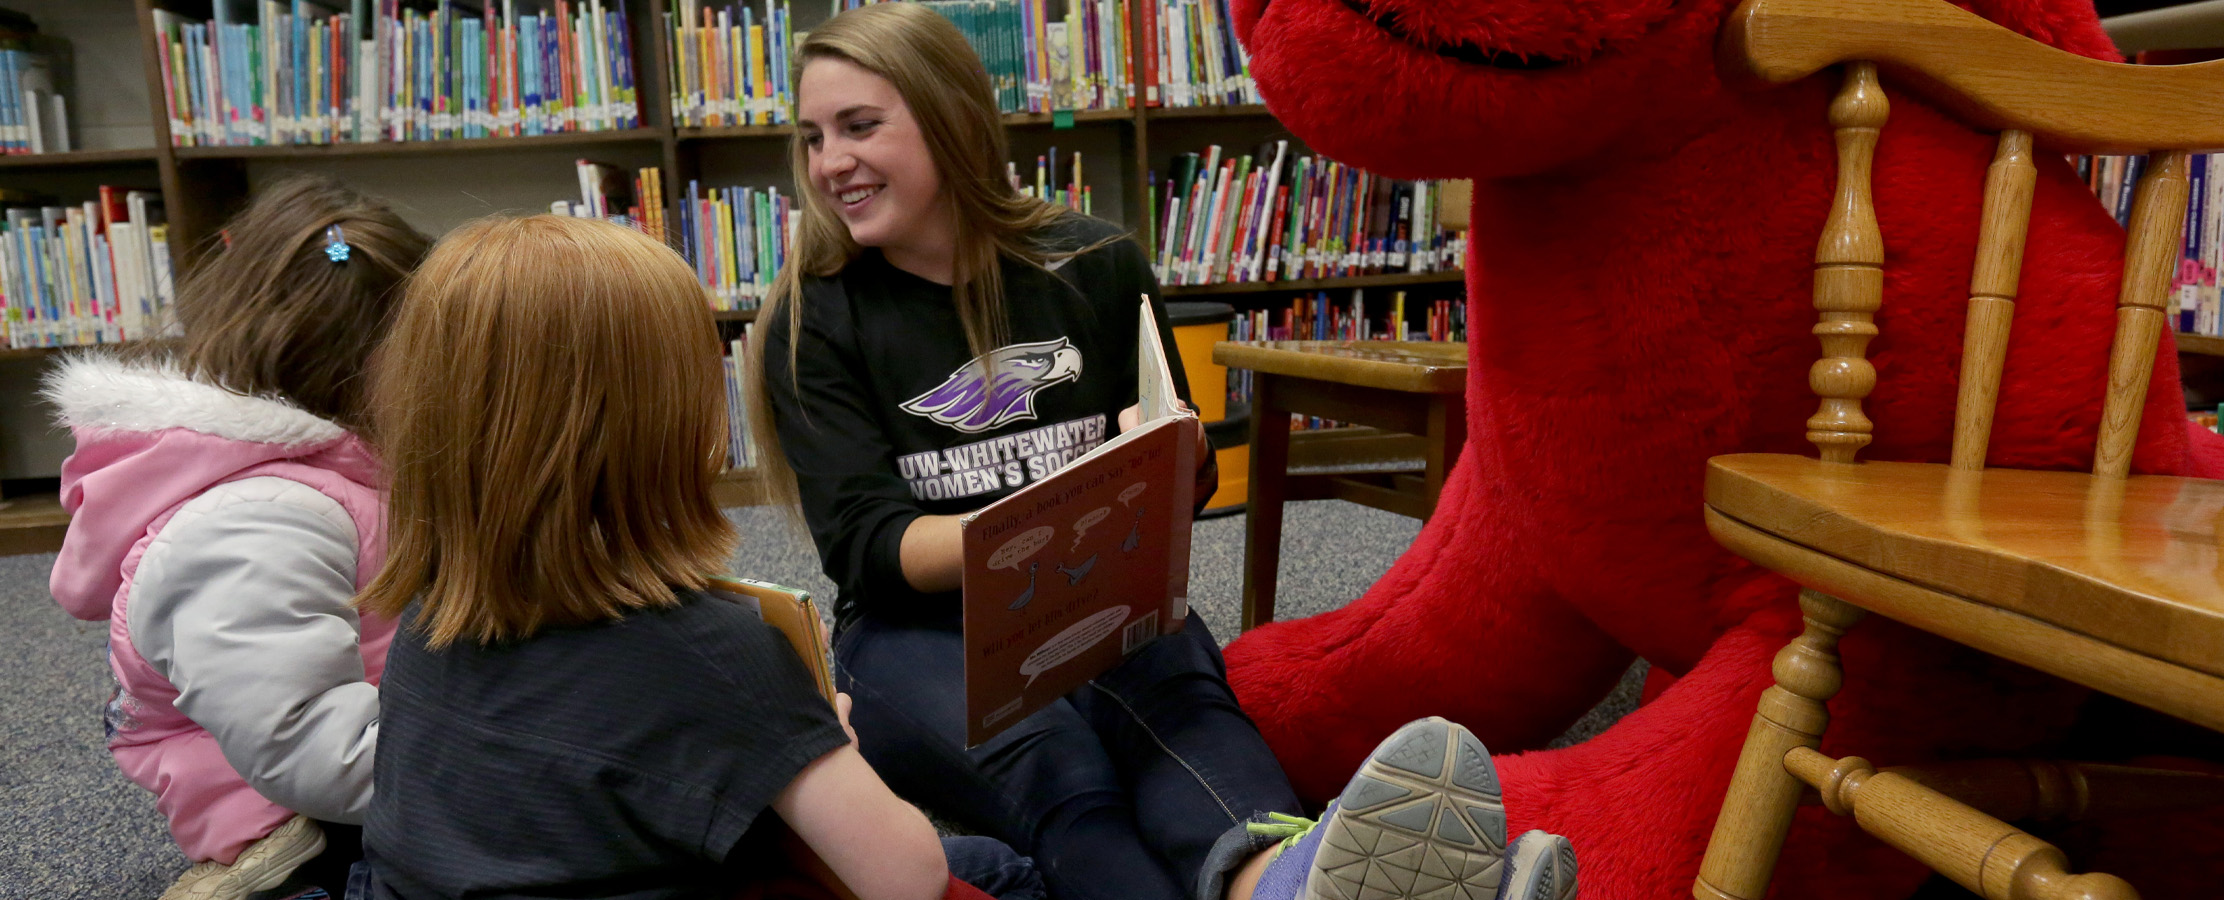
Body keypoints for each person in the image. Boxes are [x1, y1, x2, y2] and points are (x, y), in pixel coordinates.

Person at [751, 6, 1578, 900]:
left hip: (1097, 582)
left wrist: (1164, 467)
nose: (830, 162)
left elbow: (1185, 480)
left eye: (860, 126)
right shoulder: (812, 321)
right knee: (1059, 763)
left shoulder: (1095, 263)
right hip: (912, 632)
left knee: (1179, 694)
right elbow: (869, 548)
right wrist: (1045, 521)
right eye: (812, 137)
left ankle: (1276, 880)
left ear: (949, 117)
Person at [356, 214, 1046, 900]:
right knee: (998, 873)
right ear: (665, 424)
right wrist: (819, 739)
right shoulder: (720, 655)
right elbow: (909, 879)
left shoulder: (426, 619)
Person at [45, 175, 431, 900]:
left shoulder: (340, 472)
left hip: (359, 732)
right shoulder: (250, 522)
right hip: (290, 807)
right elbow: (306, 745)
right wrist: (490, 767)